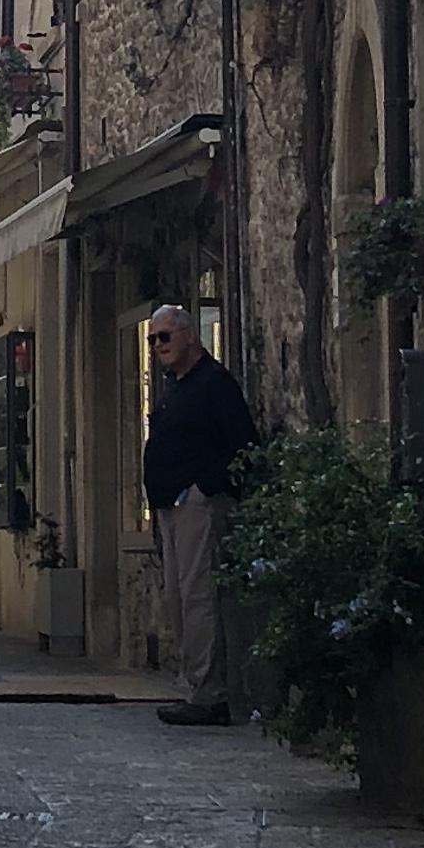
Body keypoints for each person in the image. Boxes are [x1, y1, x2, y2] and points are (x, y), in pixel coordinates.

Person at [143, 301, 257, 724]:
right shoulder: (176, 386)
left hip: (198, 507)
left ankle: (210, 696)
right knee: (180, 599)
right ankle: (196, 687)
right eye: (152, 339)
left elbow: (244, 445)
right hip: (173, 507)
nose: (158, 345)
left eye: (165, 336)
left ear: (191, 336)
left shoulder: (214, 383)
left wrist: (202, 489)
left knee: (198, 598)